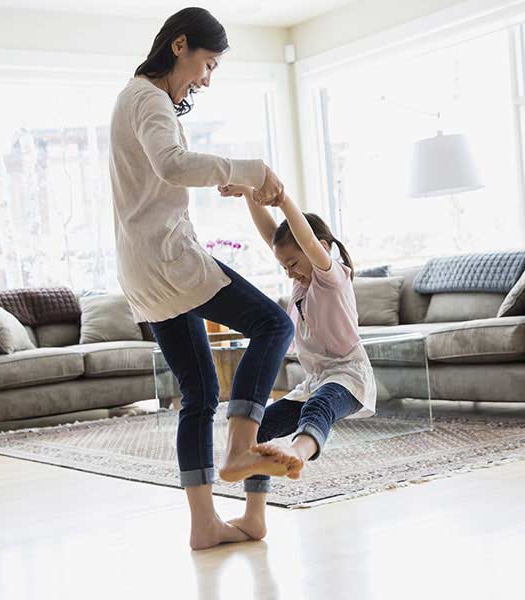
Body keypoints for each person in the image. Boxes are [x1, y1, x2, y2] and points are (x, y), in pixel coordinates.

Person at [109, 7, 296, 551]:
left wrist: (226, 179)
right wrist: (250, 171)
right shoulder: (149, 98)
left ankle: (204, 524)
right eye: (207, 64)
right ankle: (241, 447)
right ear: (179, 45)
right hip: (168, 261)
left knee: (199, 392)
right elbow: (172, 164)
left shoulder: (135, 97)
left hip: (142, 267)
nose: (207, 78)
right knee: (274, 324)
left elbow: (167, 168)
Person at [217, 183, 377, 541]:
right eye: (284, 266)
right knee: (257, 431)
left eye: (293, 264)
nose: (289, 273)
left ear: (318, 249)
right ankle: (254, 517)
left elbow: (301, 238)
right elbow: (273, 235)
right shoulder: (301, 284)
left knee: (318, 408)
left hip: (349, 376)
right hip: (315, 380)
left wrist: (285, 201)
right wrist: (247, 194)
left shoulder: (330, 276)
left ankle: (298, 451)